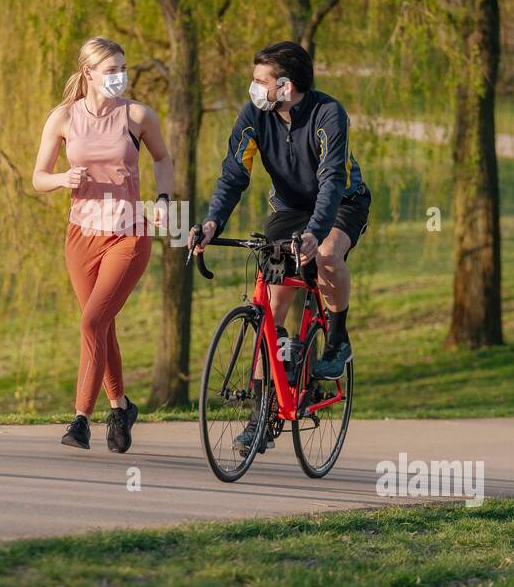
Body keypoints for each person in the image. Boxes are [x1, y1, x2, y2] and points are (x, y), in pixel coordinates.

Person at [194, 41, 370, 449]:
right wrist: (211, 222)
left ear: (286, 86)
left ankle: (338, 338)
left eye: (260, 81)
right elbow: (234, 175)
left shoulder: (329, 114)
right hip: (290, 208)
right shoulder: (255, 115)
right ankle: (262, 414)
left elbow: (331, 181)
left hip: (343, 201)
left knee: (326, 254)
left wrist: (315, 232)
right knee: (270, 312)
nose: (253, 88)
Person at [32, 37, 174, 453]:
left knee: (92, 322)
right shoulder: (62, 118)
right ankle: (121, 408)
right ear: (89, 73)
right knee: (101, 323)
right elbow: (38, 177)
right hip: (80, 236)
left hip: (128, 232)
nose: (120, 77)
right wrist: (62, 180)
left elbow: (162, 159)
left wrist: (164, 200)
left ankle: (80, 419)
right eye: (111, 71)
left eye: (123, 69)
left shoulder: (137, 116)